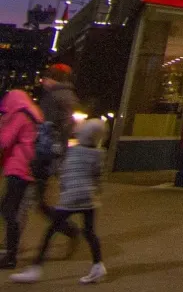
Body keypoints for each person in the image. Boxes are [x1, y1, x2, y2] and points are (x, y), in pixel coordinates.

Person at [12, 117, 106, 284]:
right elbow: (97, 176)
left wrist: (62, 189)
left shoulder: (74, 151)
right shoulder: (98, 154)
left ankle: (35, 269)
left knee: (50, 231)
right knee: (90, 232)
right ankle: (98, 266)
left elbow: (64, 171)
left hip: (71, 198)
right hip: (89, 199)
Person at [32, 66, 76, 238]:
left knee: (32, 201)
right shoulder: (67, 96)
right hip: (52, 155)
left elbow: (46, 127)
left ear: (53, 79)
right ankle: (68, 229)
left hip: (44, 155)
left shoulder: (54, 97)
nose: (43, 81)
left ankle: (68, 229)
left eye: (46, 78)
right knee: (37, 201)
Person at [0, 91, 42, 269]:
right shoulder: (33, 115)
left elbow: (4, 141)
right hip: (26, 168)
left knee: (9, 212)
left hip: (18, 168)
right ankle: (10, 252)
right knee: (8, 209)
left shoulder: (19, 116)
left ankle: (10, 256)